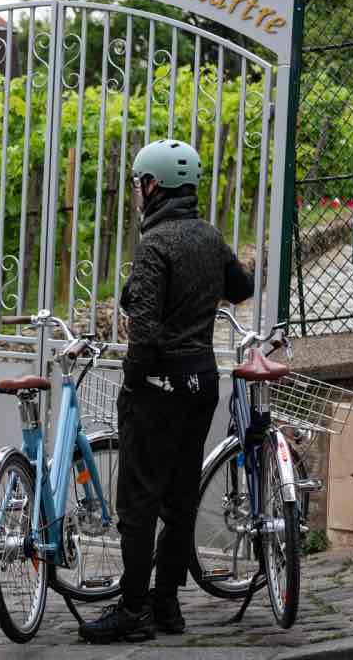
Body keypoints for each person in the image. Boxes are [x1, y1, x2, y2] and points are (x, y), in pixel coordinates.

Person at [80, 139, 255, 644]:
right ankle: (167, 604)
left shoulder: (155, 243)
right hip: (202, 381)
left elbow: (147, 329)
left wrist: (133, 381)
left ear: (153, 185)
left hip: (157, 387)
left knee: (138, 503)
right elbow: (240, 289)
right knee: (178, 497)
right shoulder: (208, 235)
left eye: (140, 183)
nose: (138, 192)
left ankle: (132, 610)